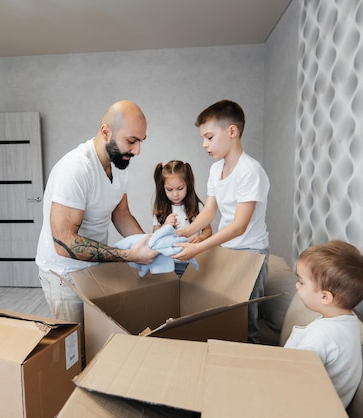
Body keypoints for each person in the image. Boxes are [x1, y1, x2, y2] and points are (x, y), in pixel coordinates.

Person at [35, 100, 158, 324]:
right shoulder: (75, 169)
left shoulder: (120, 164)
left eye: (141, 141)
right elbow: (64, 243)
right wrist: (128, 255)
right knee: (76, 344)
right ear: (105, 132)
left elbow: (121, 213)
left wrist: (145, 243)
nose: (137, 150)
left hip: (94, 268)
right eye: (131, 141)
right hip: (64, 273)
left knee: (97, 336)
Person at [173, 99, 270, 343]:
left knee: (246, 322)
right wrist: (183, 234)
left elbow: (239, 226)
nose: (204, 144)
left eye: (209, 137)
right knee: (226, 317)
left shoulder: (250, 171)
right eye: (203, 138)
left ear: (232, 132)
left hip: (251, 253)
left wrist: (198, 248)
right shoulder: (216, 170)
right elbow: (209, 214)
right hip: (228, 249)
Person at [284, 240, 363, 408]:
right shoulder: (348, 322)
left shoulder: (321, 336)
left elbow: (292, 379)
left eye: (302, 282)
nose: (297, 286)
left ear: (325, 297)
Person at [152, 160, 212, 276]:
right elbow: (155, 236)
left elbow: (208, 230)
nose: (175, 194)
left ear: (188, 185)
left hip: (192, 262)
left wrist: (201, 238)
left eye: (180, 188)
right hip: (168, 263)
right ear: (163, 188)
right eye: (169, 190)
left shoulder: (196, 207)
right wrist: (165, 226)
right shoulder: (160, 210)